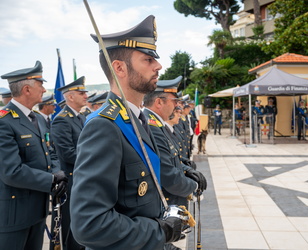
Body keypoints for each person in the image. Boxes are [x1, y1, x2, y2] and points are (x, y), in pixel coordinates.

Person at [70, 15, 186, 249]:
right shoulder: (104, 126)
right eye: (148, 59)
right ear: (120, 68)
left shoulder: (138, 119)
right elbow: (89, 225)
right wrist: (159, 231)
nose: (158, 66)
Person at [0, 61, 67, 250]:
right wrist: (51, 180)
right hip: (14, 215)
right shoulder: (4, 122)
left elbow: (50, 151)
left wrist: (57, 174)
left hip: (38, 210)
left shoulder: (37, 118)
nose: (44, 89)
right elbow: (11, 171)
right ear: (27, 89)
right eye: (41, 85)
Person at [143, 77, 206, 250]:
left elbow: (173, 157)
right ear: (158, 102)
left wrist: (187, 170)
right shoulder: (152, 126)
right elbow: (167, 173)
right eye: (174, 101)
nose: (177, 106)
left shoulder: (157, 124)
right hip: (166, 202)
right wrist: (193, 187)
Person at [51, 76, 88, 250]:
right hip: (72, 180)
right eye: (81, 93)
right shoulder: (62, 119)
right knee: (71, 229)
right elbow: (67, 153)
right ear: (70, 97)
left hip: (83, 177)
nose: (86, 96)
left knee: (83, 226)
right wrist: (93, 161)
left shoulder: (80, 118)